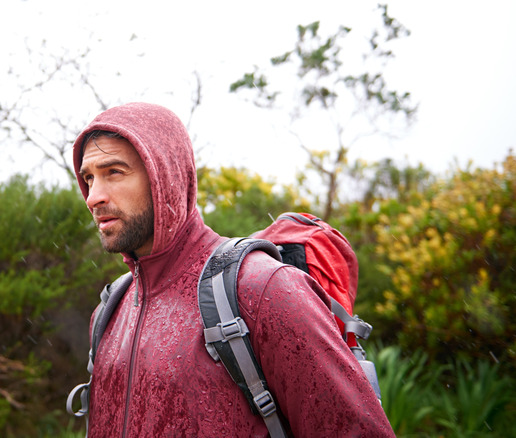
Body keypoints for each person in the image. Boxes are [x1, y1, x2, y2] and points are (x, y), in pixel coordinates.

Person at [72, 102, 394, 437]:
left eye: (114, 172)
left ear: (163, 175)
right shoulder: (109, 311)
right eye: (89, 178)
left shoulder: (262, 289)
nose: (94, 196)